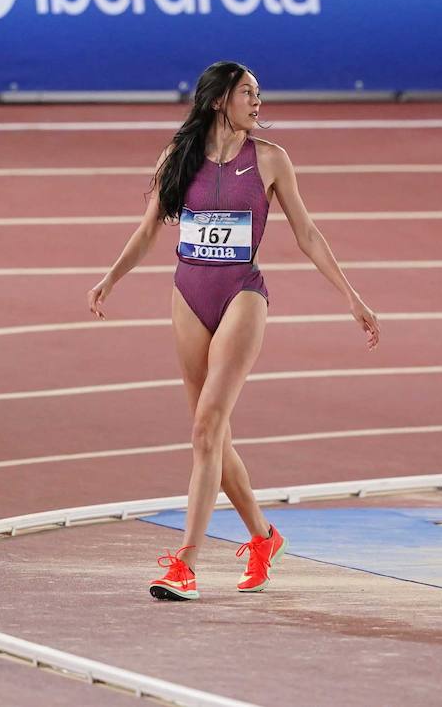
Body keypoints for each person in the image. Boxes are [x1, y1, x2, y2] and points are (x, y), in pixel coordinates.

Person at [87, 60, 380, 601]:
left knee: (205, 430)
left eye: (259, 93)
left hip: (242, 294)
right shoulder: (178, 156)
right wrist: (110, 278)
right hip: (187, 295)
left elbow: (308, 232)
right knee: (213, 437)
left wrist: (351, 297)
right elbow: (150, 228)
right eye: (248, 92)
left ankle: (185, 563)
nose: (257, 102)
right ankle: (264, 538)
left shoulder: (270, 160)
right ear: (220, 99)